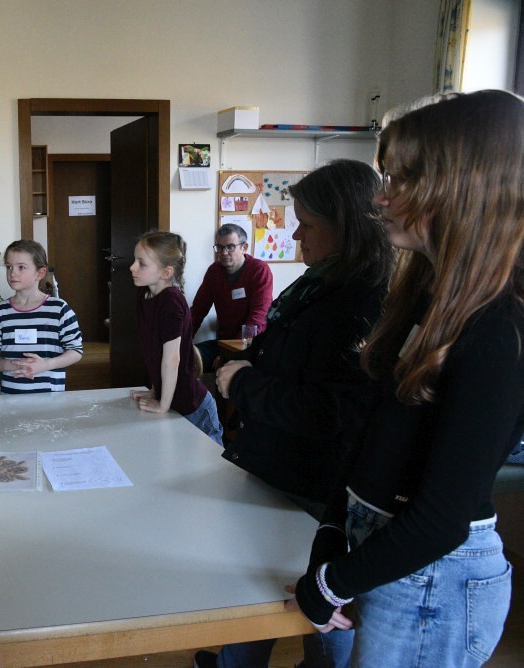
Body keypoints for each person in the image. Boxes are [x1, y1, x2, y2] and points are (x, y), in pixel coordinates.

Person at [290, 90, 522, 667]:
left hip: (432, 575)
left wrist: (331, 583)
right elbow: (374, 430)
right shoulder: (423, 296)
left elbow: (442, 518)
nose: (382, 197)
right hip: (383, 546)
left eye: (402, 180)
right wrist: (332, 529)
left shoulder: (499, 326)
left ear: (464, 187)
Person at [200, 160, 395, 668]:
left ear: (345, 224)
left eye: (306, 224)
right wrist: (248, 362)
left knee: (313, 601)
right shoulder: (322, 284)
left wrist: (245, 382)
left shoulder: (360, 300)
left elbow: (331, 411)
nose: (294, 234)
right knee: (256, 586)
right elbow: (290, 356)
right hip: (281, 463)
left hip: (316, 479)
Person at [130, 231, 224, 446]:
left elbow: (172, 359)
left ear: (166, 272)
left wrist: (163, 404)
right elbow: (154, 352)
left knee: (214, 463)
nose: (132, 267)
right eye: (135, 260)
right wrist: (156, 391)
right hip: (173, 401)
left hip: (193, 408)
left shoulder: (171, 302)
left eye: (141, 263)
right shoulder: (145, 294)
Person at [0, 240, 83, 393]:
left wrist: (46, 365)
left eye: (21, 267)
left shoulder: (59, 309)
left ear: (40, 273)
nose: (13, 273)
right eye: (9, 267)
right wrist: (9, 365)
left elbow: (76, 351)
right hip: (10, 396)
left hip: (51, 398)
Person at [190, 223, 273, 371]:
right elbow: (197, 310)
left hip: (252, 346)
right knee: (187, 357)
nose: (224, 252)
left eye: (230, 247)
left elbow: (257, 319)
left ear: (244, 248)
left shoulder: (259, 270)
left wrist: (231, 355)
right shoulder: (214, 271)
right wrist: (180, 340)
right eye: (220, 247)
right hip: (224, 343)